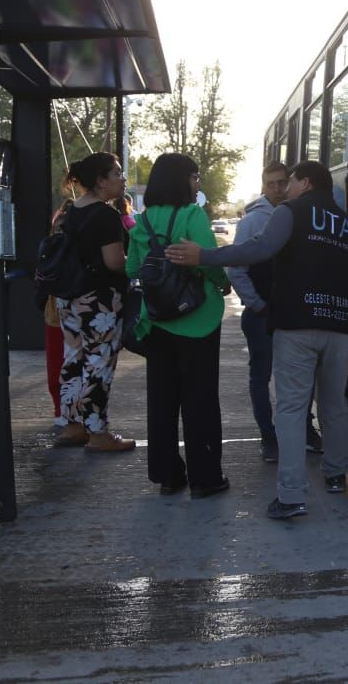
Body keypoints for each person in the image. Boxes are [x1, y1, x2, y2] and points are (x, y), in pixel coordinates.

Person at [167, 160, 348, 520]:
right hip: (341, 327)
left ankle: (291, 497)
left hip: (296, 324)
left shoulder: (290, 212)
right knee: (334, 405)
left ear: (305, 183)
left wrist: (205, 256)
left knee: (291, 408)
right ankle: (336, 475)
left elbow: (259, 249)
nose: (286, 189)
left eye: (290, 181)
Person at [126, 153, 232, 498]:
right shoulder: (192, 214)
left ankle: (168, 475)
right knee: (200, 400)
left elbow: (131, 270)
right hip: (197, 321)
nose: (197, 182)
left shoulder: (142, 221)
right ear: (182, 179)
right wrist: (223, 283)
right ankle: (206, 478)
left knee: (162, 400)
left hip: (155, 321)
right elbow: (208, 260)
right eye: (195, 176)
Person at [227, 162, 324, 463]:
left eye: (283, 182)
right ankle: (268, 438)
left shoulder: (303, 216)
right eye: (272, 184)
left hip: (295, 315)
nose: (279, 189)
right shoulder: (253, 221)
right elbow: (236, 269)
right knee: (262, 376)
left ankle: (304, 429)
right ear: (263, 185)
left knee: (300, 375)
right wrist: (257, 304)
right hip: (262, 316)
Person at [52, 153, 134, 452]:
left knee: (73, 359)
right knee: (99, 363)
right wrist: (136, 265)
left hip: (68, 297)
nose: (122, 179)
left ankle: (72, 426)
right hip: (99, 301)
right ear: (101, 181)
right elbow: (114, 262)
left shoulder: (70, 212)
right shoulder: (105, 215)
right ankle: (98, 433)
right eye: (117, 173)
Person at [44, 198, 73, 425]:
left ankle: (61, 411)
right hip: (68, 309)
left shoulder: (50, 245)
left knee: (57, 364)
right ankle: (66, 411)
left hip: (55, 311)